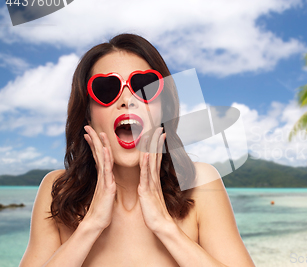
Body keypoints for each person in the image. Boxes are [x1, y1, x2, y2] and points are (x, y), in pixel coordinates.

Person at [19, 33, 255, 267]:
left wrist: (165, 227)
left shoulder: (199, 184)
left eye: (144, 86)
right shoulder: (58, 191)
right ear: (87, 115)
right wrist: (91, 225)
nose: (127, 100)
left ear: (163, 108)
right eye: (106, 89)